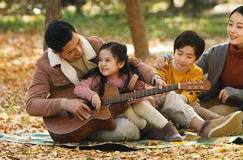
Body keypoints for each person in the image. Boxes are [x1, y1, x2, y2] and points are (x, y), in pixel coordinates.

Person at [26, 20, 166, 142]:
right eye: (71, 51)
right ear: (57, 53)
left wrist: (154, 78)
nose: (79, 50)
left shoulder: (95, 44)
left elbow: (130, 63)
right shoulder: (44, 65)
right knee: (128, 130)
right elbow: (32, 104)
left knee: (165, 97)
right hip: (84, 121)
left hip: (118, 102)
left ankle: (161, 120)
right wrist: (65, 104)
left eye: (79, 43)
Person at [154, 6, 243, 123]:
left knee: (214, 113)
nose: (232, 30)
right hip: (212, 102)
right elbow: (188, 64)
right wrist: (165, 57)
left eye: (239, 27)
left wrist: (237, 92)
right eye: (230, 24)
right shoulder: (217, 52)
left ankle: (219, 124)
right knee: (189, 108)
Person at [74, 41, 182, 142]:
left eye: (107, 60)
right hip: (112, 116)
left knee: (139, 105)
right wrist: (92, 96)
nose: (102, 64)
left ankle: (170, 129)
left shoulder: (129, 77)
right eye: (100, 60)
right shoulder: (97, 78)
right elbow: (79, 88)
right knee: (126, 109)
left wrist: (135, 99)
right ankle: (148, 130)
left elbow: (142, 93)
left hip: (130, 110)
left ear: (120, 64)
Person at [154, 30, 243, 134]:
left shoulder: (196, 71)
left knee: (194, 108)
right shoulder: (163, 65)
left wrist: (178, 101)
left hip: (187, 103)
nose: (183, 60)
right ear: (174, 51)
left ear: (197, 59)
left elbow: (190, 94)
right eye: (179, 54)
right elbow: (158, 91)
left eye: (189, 57)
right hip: (164, 105)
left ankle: (222, 122)